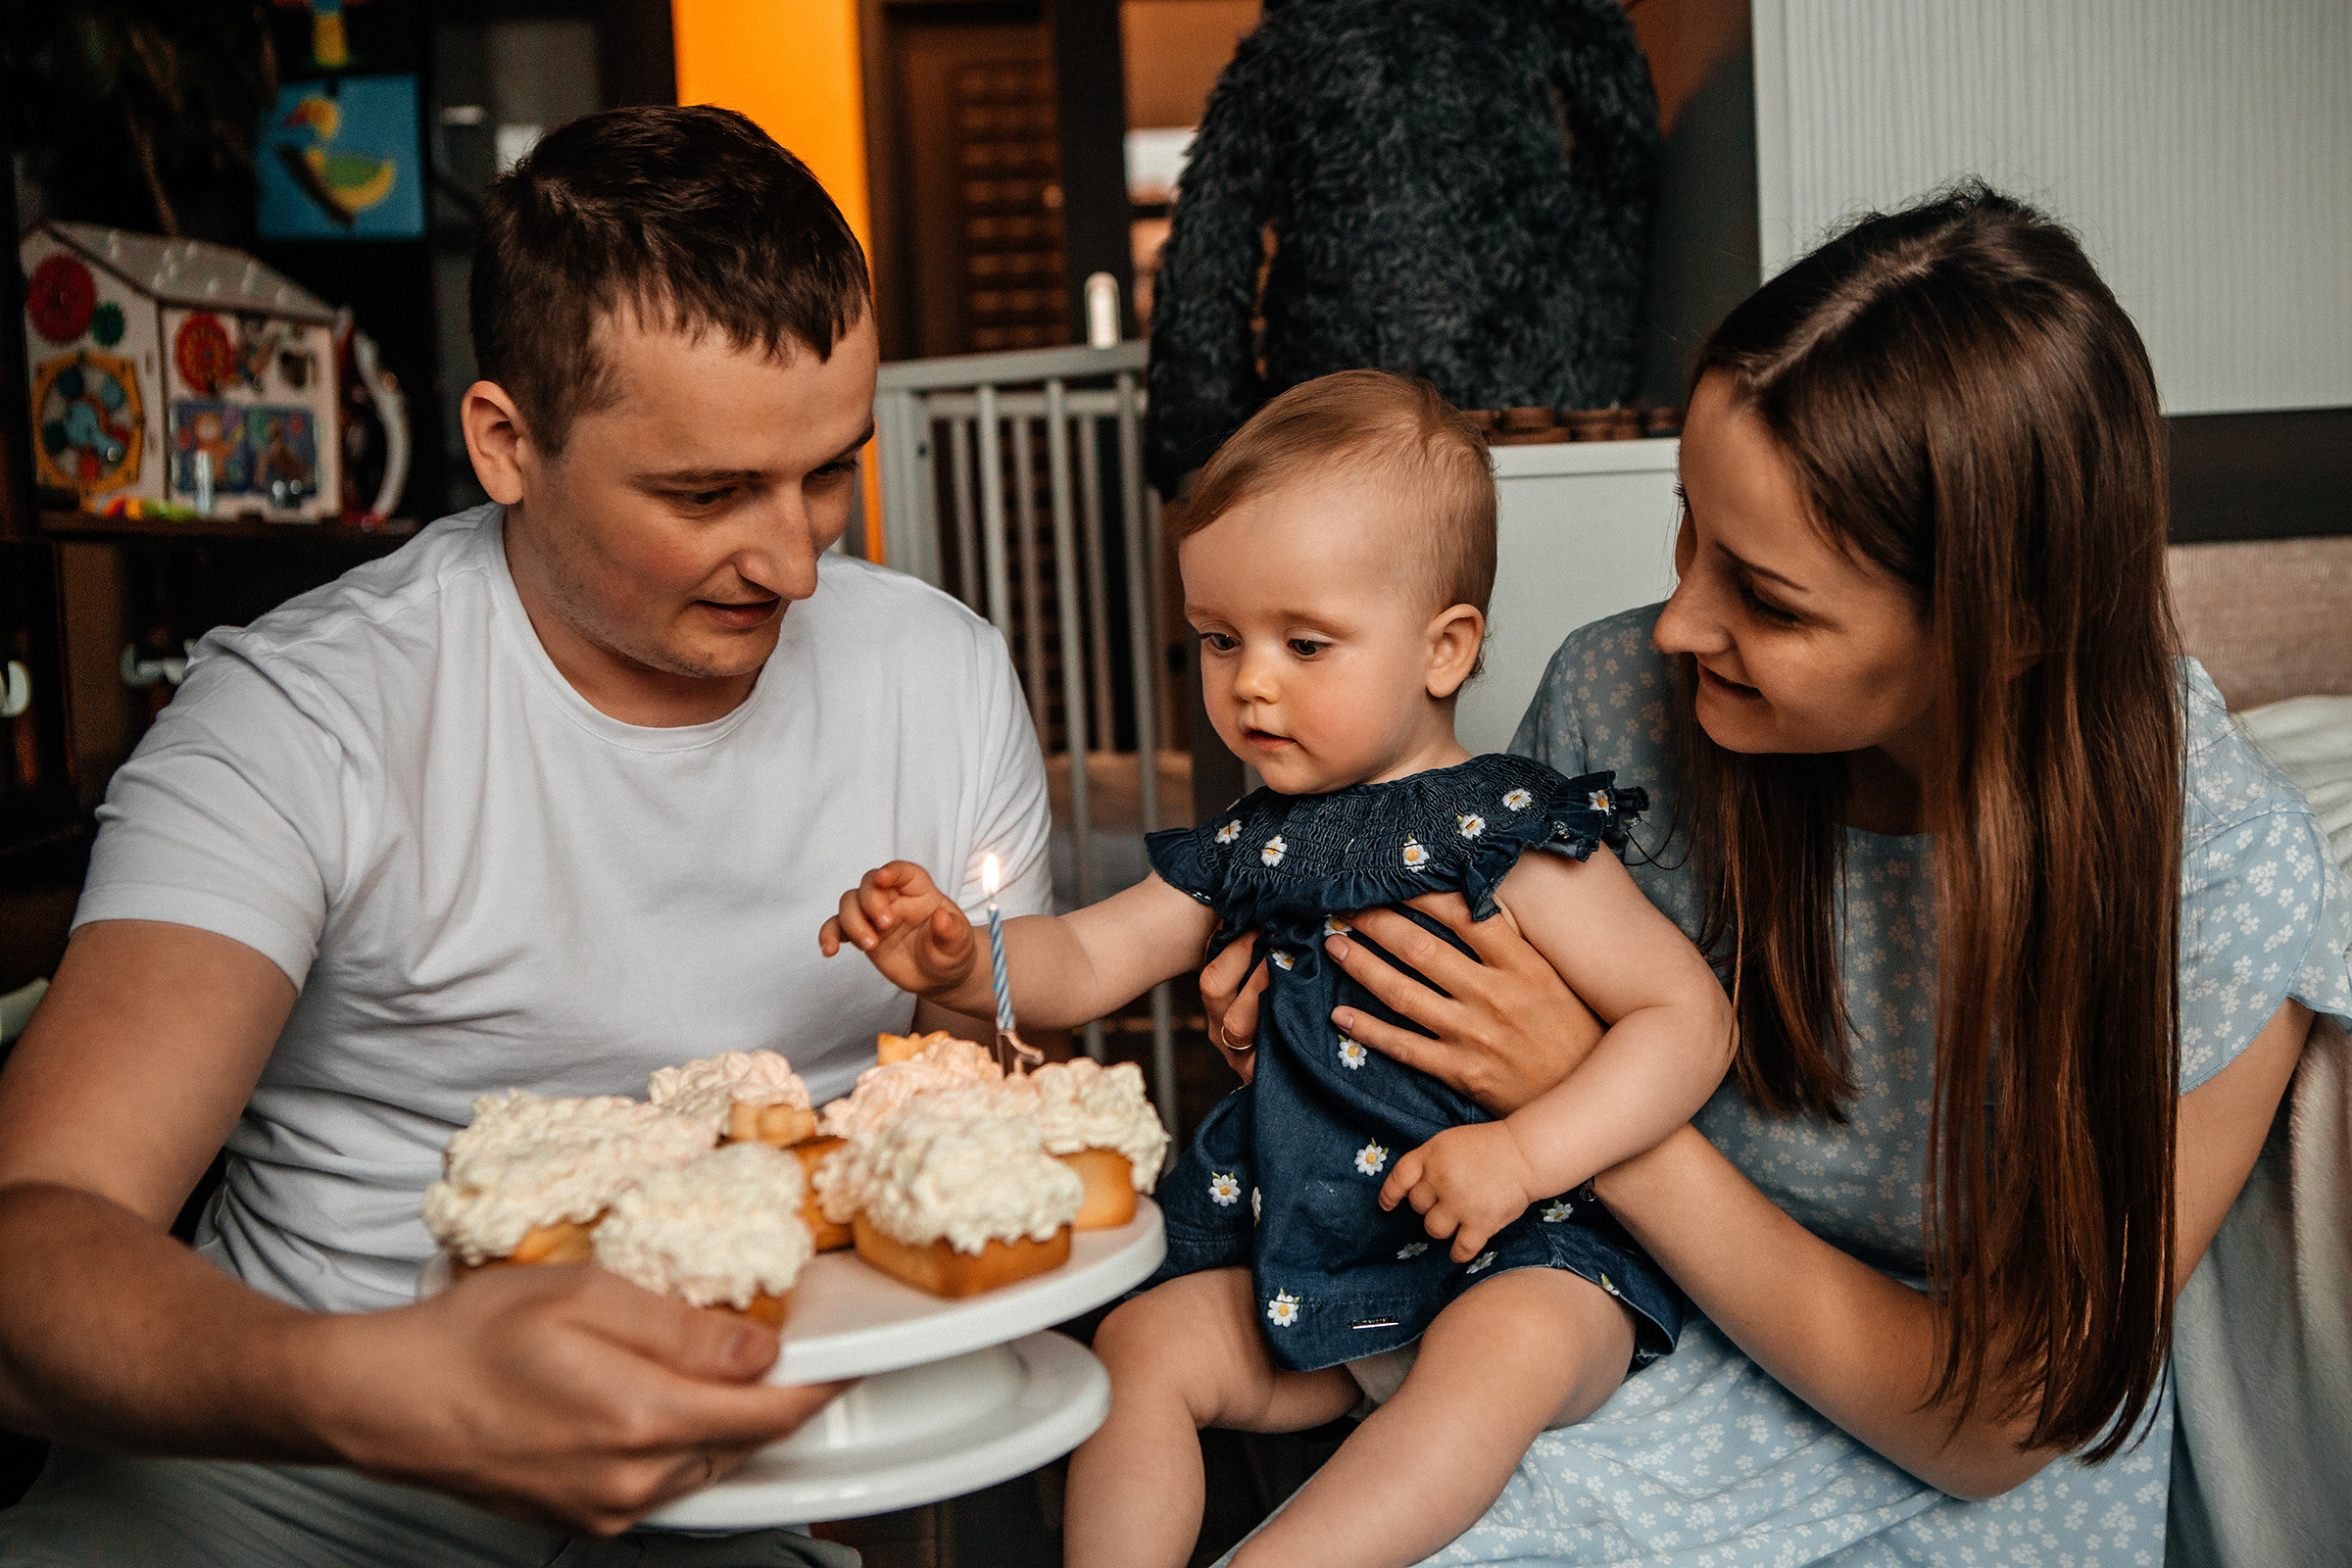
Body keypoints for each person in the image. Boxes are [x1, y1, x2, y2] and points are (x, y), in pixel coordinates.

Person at [1194, 184, 2352, 1564]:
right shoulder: (1623, 701)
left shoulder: (2212, 880)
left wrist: (1592, 1101)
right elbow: (1458, 1086)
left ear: (2010, 625)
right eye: (1690, 528)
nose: (1681, 618)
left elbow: (2006, 1422)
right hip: (1617, 1332)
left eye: (1772, 597)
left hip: (1947, 1446)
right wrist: (1324, 1032)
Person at [0, 107, 1048, 1563]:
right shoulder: (302, 715)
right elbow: (35, 1233)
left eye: (826, 471)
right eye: (707, 493)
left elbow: (999, 1136)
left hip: (736, 1484)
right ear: (507, 442)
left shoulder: (943, 678)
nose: (799, 562)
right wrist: (377, 1392)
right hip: (282, 1463)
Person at [821, 370, 1736, 1568]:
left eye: (1305, 643)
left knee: (1485, 1370)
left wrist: (1523, 1156)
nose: (1250, 681)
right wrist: (958, 956)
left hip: (1532, 1256)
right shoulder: (1249, 845)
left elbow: (1687, 1020)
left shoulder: (1501, 828)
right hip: (1323, 1258)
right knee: (1141, 1346)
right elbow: (1092, 956)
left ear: (1444, 647)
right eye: (1219, 639)